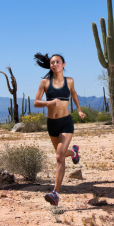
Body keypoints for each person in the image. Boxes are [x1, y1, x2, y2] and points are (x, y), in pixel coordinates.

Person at [34, 53, 85, 206]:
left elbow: (74, 94)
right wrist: (49, 103)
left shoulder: (69, 81)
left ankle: (55, 193)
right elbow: (36, 103)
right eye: (52, 62)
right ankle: (74, 153)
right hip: (52, 124)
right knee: (61, 153)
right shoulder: (45, 82)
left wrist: (79, 110)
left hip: (66, 123)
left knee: (58, 157)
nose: (54, 64)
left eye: (57, 62)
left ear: (63, 64)